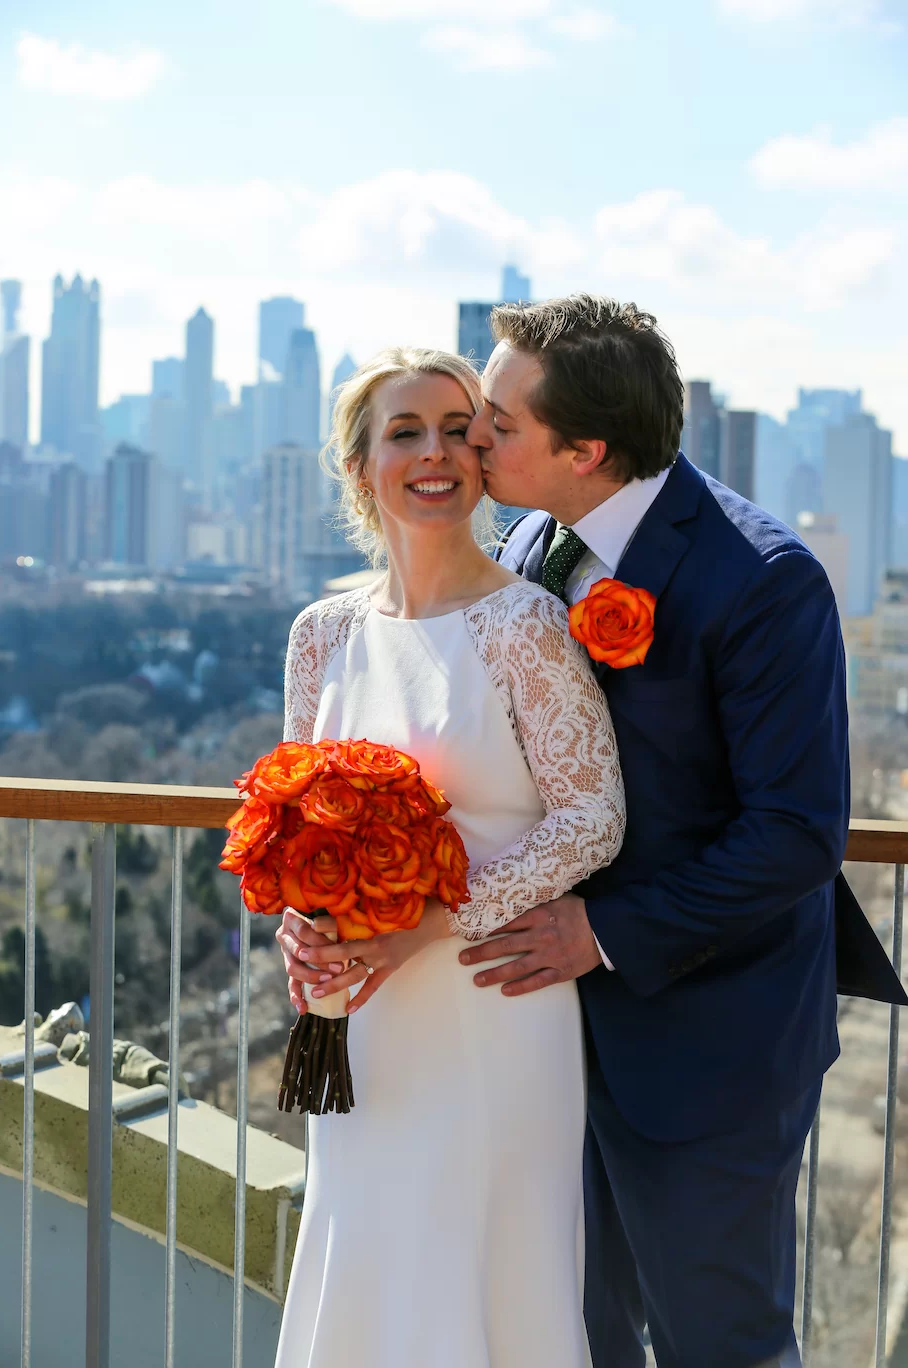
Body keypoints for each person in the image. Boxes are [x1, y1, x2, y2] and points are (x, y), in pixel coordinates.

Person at [455, 293, 854, 1368]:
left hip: (711, 1039)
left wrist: (603, 933)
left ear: (586, 449)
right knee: (569, 1327)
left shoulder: (765, 582)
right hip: (550, 1034)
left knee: (717, 1339)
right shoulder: (533, 540)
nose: (472, 435)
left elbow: (797, 833)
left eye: (498, 422)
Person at [273, 345, 624, 1368]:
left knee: (481, 1277)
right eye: (403, 431)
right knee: (369, 1262)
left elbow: (592, 819)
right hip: (364, 1028)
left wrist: (426, 927)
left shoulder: (527, 625)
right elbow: (294, 823)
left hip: (491, 1004)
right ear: (358, 466)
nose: (436, 453)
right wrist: (301, 922)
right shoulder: (321, 634)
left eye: (457, 431)